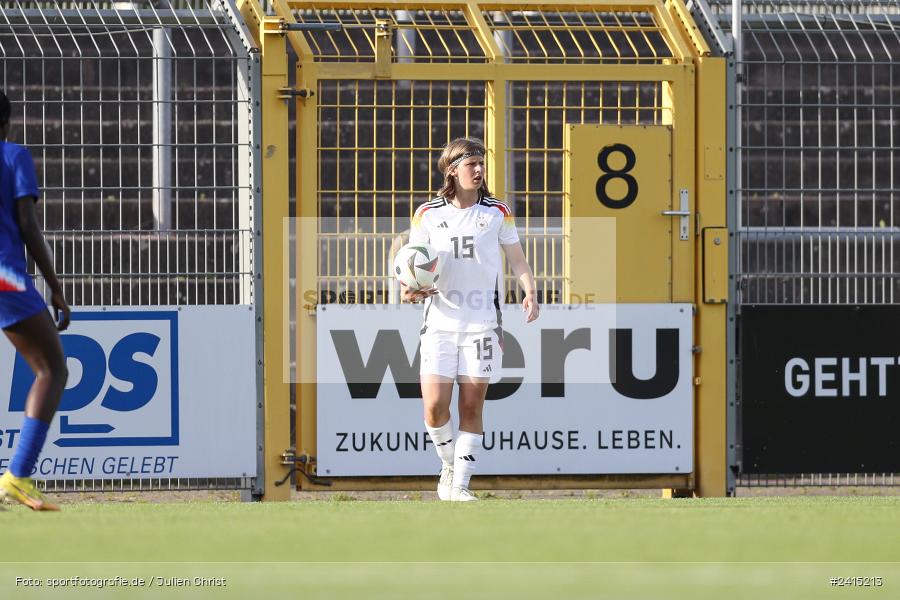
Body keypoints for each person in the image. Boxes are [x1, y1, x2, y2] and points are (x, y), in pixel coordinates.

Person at [404, 138, 539, 501]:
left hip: (482, 323)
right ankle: (448, 465)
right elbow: (414, 261)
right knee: (433, 407)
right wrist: (410, 287)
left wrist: (529, 289)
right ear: (452, 170)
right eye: (471, 165)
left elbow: (518, 260)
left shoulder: (497, 212)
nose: (478, 171)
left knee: (470, 405)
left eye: (481, 164)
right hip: (439, 323)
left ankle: (460, 485)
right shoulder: (427, 213)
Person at [0, 91, 70, 511]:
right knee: (52, 370)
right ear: (5, 122)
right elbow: (27, 223)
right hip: (4, 276)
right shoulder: (13, 156)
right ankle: (18, 477)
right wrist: (55, 286)